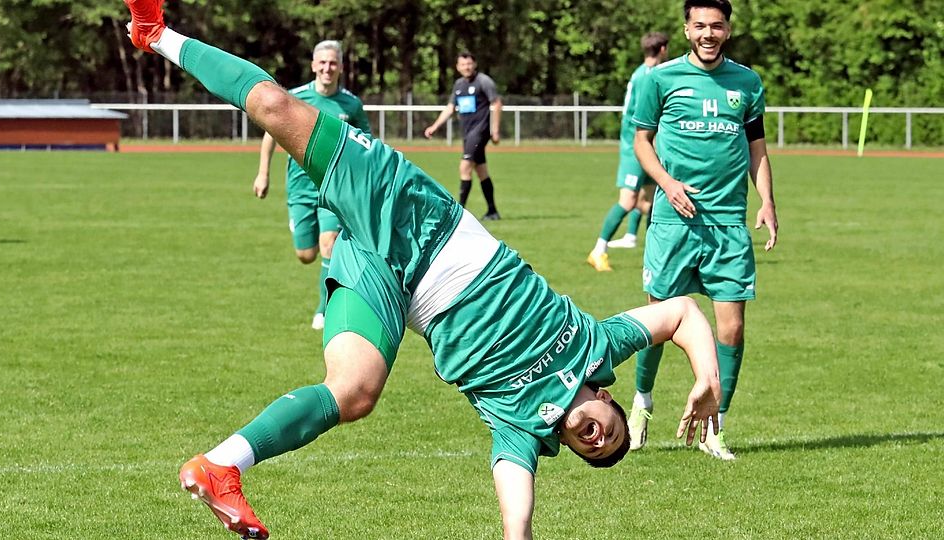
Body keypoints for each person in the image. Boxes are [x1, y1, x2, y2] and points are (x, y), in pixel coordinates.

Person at [122, 2, 722, 538]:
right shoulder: (596, 345)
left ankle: (222, 465)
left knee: (354, 393)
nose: (598, 437)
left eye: (593, 449)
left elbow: (516, 507)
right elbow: (681, 313)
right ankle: (158, 33)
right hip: (419, 221)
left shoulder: (519, 431)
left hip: (395, 288)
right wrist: (706, 380)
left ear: (566, 445)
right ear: (609, 400)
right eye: (611, 431)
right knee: (282, 107)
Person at [626, 0, 778, 460]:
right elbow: (641, 141)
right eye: (699, 26)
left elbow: (757, 147)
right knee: (657, 324)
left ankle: (716, 427)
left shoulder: (747, 83)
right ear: (687, 29)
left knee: (731, 330)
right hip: (674, 223)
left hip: (729, 225)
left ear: (727, 29)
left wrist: (767, 200)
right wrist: (667, 184)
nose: (708, 33)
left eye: (716, 25)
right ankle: (642, 405)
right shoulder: (660, 79)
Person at [252, 40, 371, 330]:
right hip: (300, 187)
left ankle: (324, 308)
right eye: (323, 62)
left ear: (341, 67)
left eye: (333, 63)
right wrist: (263, 173)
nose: (328, 68)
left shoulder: (351, 104)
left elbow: (366, 143)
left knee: (329, 242)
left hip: (334, 186)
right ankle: (320, 259)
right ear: (313, 65)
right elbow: (271, 134)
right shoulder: (295, 98)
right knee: (306, 255)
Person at [587, 32, 669, 272]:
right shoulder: (648, 76)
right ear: (662, 49)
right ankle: (598, 251)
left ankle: (656, 254)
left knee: (653, 201)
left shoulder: (641, 73)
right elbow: (641, 117)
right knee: (628, 200)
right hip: (636, 147)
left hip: (644, 145)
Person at [423, 52, 503, 221]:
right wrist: (435, 126)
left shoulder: (483, 81)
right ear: (458, 67)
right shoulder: (459, 84)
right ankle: (492, 211)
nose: (466, 67)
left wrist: (494, 131)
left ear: (474, 64)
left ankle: (459, 213)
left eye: (469, 64)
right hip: (468, 134)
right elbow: (451, 107)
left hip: (480, 132)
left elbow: (496, 103)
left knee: (464, 167)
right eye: (463, 64)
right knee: (481, 171)